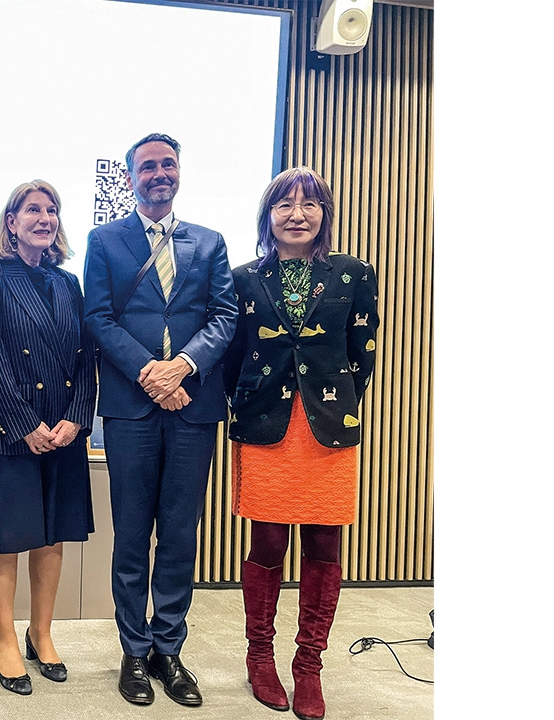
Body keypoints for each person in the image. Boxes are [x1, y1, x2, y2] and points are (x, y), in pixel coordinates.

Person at [83, 132, 238, 707]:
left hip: (194, 406)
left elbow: (224, 316)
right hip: (131, 404)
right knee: (131, 534)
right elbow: (97, 317)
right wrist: (150, 371)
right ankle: (132, 649)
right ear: (130, 178)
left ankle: (168, 648)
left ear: (179, 173)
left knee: (178, 531)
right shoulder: (106, 240)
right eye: (146, 167)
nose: (158, 174)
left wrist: (183, 368)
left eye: (167, 164)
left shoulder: (210, 241)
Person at [221, 167, 379, 720]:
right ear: (267, 217)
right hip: (266, 423)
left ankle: (308, 665)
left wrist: (336, 403)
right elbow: (232, 355)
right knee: (267, 544)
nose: (297, 214)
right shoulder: (242, 277)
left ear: (324, 215)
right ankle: (259, 657)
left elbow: (363, 354)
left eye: (309, 204)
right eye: (283, 205)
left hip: (327, 425)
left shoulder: (354, 274)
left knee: (324, 546)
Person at [0, 181, 97, 696]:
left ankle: (41, 632)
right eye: (33, 210)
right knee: (7, 537)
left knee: (52, 533)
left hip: (62, 428)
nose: (44, 218)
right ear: (11, 221)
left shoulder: (69, 284)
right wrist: (24, 424)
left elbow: (88, 359)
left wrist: (75, 417)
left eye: (52, 211)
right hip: (10, 426)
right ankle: (4, 641)